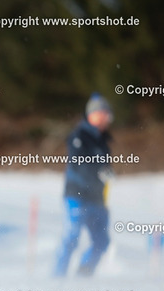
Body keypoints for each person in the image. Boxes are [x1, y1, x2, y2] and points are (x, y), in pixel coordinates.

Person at [54, 93, 113, 277]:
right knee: (71, 237)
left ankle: (83, 276)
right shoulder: (79, 136)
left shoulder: (103, 140)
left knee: (102, 241)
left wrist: (106, 173)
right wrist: (98, 171)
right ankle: (56, 278)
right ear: (91, 114)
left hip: (97, 199)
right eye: (102, 113)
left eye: (107, 114)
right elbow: (78, 164)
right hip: (77, 196)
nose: (105, 118)